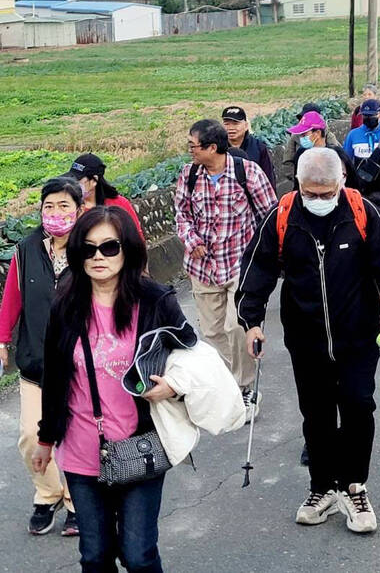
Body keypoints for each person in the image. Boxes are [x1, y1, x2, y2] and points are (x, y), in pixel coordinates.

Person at [235, 148, 380, 534]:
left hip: (358, 333)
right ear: (298, 185)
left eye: (326, 193)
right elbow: (258, 270)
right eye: (310, 193)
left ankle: (354, 486)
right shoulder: (282, 216)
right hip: (306, 336)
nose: (318, 200)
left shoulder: (363, 212)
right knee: (315, 415)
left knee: (357, 406)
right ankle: (322, 488)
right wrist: (251, 322)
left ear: (341, 183)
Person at [33, 205, 194, 573]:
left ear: (128, 250)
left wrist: (174, 385)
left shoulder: (155, 301)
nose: (98, 257)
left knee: (138, 554)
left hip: (141, 444)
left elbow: (192, 355)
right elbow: (55, 378)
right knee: (95, 554)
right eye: (88, 249)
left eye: (109, 247)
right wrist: (45, 440)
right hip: (81, 448)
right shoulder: (66, 305)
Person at [174, 119, 276, 416]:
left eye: (193, 146)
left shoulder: (248, 173)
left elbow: (269, 216)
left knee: (236, 326)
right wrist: (192, 240)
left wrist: (266, 258)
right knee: (212, 331)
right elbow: (181, 214)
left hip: (239, 264)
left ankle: (245, 388)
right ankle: (229, 383)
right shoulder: (189, 175)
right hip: (202, 267)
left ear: (212, 148)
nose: (190, 151)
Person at [0, 177, 82, 537]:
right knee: (32, 436)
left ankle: (78, 503)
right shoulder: (26, 248)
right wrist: (3, 339)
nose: (55, 212)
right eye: (49, 206)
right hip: (35, 363)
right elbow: (12, 299)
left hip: (82, 364)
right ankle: (47, 493)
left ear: (79, 209)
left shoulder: (93, 245)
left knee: (78, 437)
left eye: (64, 205)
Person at [343, 98, 380, 214]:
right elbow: (345, 163)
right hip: (360, 194)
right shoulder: (353, 135)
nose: (368, 118)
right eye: (365, 115)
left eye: (372, 115)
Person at [66, 154, 143, 239]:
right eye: (71, 180)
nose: (72, 184)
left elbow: (136, 238)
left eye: (77, 181)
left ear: (94, 180)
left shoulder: (119, 204)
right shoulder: (68, 205)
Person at [287, 110, 358, 190]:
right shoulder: (300, 154)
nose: (301, 138)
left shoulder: (338, 155)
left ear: (317, 133)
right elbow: (297, 186)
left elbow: (353, 183)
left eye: (304, 134)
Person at [221, 105, 277, 189]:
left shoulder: (259, 147)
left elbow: (268, 178)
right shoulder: (217, 148)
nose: (231, 128)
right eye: (227, 124)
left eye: (236, 124)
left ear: (246, 126)